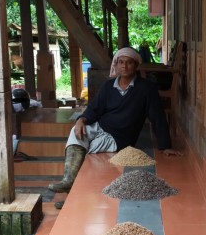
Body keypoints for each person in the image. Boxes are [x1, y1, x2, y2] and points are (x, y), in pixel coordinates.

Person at [48, 47, 181, 208]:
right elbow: (94, 108)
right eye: (121, 62)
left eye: (129, 62)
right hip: (100, 126)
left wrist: (165, 145)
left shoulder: (146, 89)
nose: (124, 66)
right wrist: (81, 119)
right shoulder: (108, 86)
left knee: (85, 153)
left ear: (136, 65)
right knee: (76, 133)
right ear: (116, 65)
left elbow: (157, 116)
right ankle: (68, 180)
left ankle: (72, 198)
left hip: (118, 138)